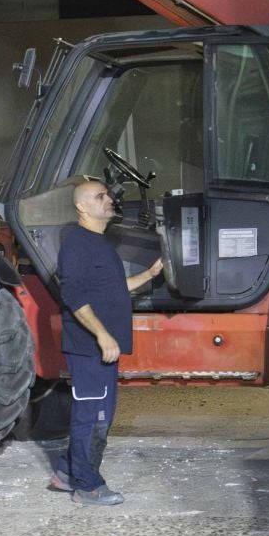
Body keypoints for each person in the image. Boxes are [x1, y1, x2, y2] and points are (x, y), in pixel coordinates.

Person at [48, 177, 163, 506]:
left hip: (101, 349)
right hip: (89, 348)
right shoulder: (77, 245)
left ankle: (68, 472)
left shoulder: (100, 245)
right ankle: (87, 486)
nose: (109, 200)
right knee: (94, 416)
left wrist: (150, 275)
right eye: (100, 197)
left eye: (107, 196)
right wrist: (101, 334)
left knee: (98, 411)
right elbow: (73, 294)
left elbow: (113, 288)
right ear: (82, 207)